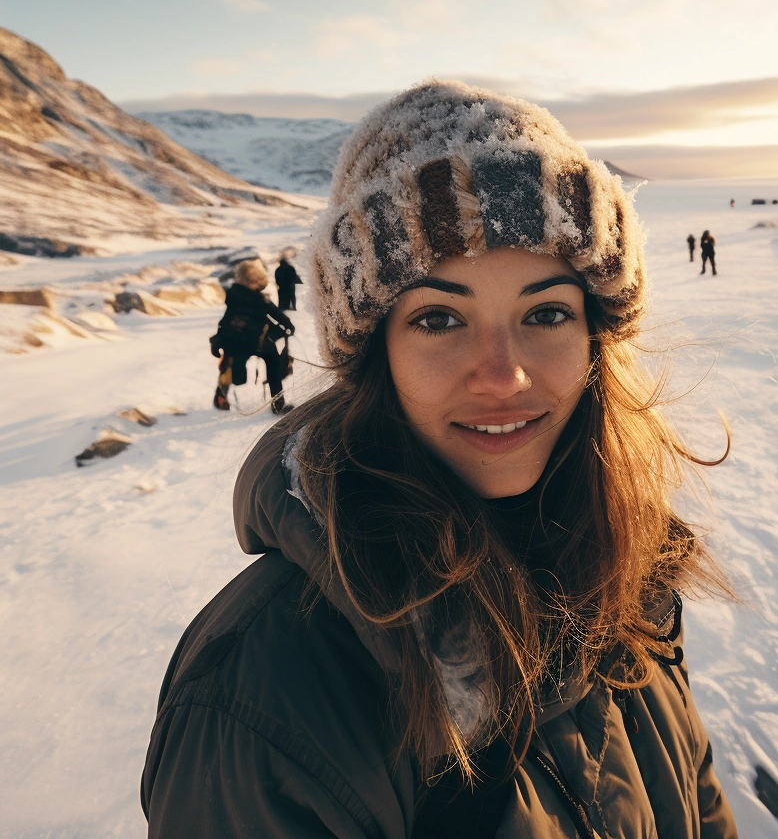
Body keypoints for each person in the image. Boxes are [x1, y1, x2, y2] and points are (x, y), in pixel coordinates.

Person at [143, 81, 738, 838]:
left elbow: (699, 801)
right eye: (438, 318)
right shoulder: (269, 690)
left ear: (596, 337)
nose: (504, 374)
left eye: (547, 312)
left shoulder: (629, 568)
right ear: (374, 355)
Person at [209, 258, 295, 414]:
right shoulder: (260, 300)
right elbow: (278, 316)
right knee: (273, 364)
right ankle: (278, 403)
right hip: (259, 343)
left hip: (236, 343)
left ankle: (220, 395)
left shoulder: (233, 296)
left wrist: (218, 340)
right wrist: (289, 326)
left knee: (228, 363)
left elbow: (226, 320)